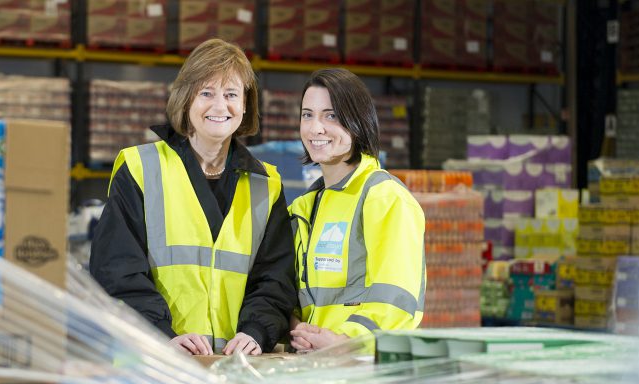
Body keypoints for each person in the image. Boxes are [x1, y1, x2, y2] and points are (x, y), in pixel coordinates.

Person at [90, 39, 296, 357]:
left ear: (245, 105)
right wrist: (161, 334)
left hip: (236, 366)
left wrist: (256, 331)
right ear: (187, 99)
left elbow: (275, 279)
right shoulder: (140, 168)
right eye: (207, 93)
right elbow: (116, 270)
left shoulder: (265, 185)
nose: (220, 106)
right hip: (154, 358)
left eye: (231, 94)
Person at [289, 68, 425, 352]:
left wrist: (345, 341)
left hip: (362, 362)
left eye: (331, 116)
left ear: (358, 121)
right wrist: (296, 328)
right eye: (307, 115)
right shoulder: (304, 207)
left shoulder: (384, 198)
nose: (315, 128)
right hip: (313, 361)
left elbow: (396, 298)